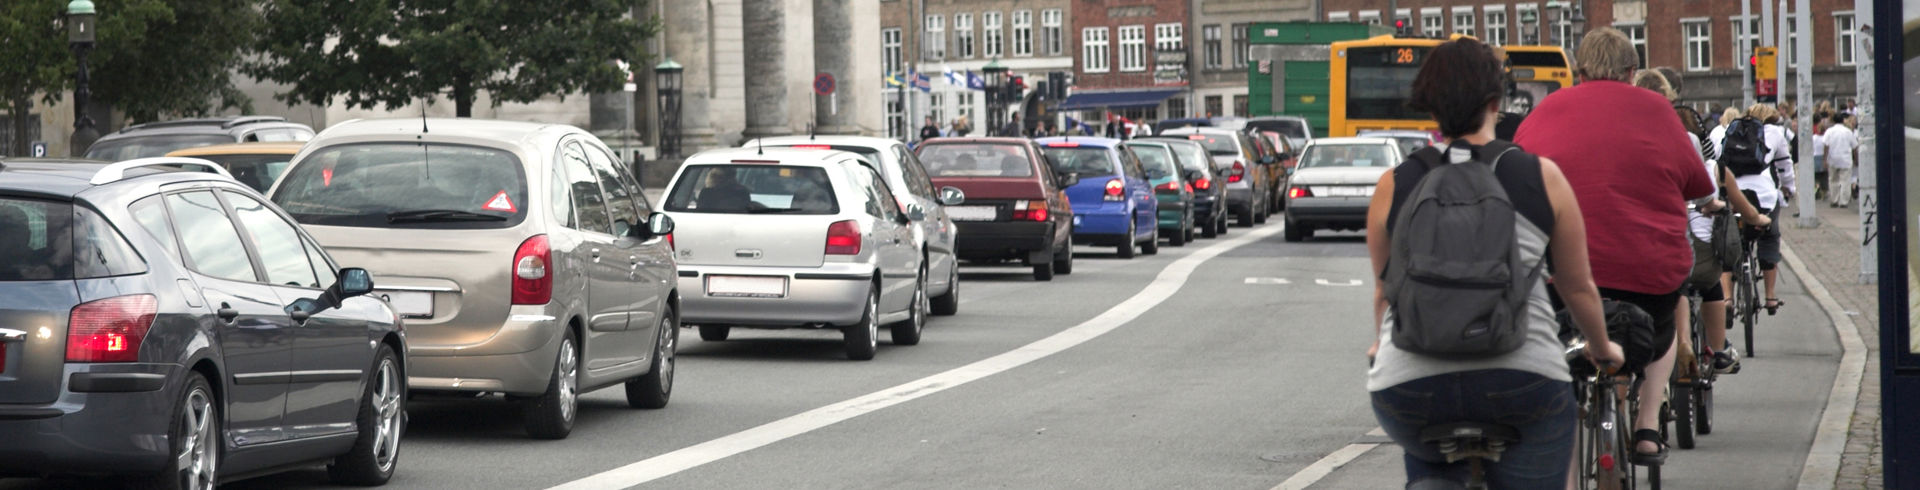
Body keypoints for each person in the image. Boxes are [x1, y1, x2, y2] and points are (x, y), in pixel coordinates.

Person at [1365, 37, 1623, 489]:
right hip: (1521, 376)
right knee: (1546, 428)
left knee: (1426, 451)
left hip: (1410, 385)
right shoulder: (1541, 176)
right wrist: (1603, 350)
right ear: (1495, 101)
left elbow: (1387, 290)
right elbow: (1576, 286)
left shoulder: (1393, 184)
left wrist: (1377, 344)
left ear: (1431, 108)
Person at [1513, 28, 1715, 468]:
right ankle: (1645, 429)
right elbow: (1699, 184)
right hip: (1649, 274)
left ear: (1579, 71)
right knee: (1663, 332)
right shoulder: (1659, 110)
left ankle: (1563, 432)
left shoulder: (1547, 110)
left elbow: (1518, 170)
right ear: (1632, 71)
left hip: (1562, 277)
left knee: (1558, 340)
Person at [1747, 103, 1796, 315]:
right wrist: (1789, 188)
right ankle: (1770, 296)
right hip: (1764, 196)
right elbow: (1784, 165)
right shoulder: (1774, 132)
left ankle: (1728, 299)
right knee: (1769, 236)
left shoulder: (1736, 129)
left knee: (1732, 243)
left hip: (1735, 192)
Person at [1825, 112, 1860, 208]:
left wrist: (1825, 159)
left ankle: (1834, 199)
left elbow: (1826, 145)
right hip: (1845, 159)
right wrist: (1856, 159)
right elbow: (1854, 147)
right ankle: (1844, 201)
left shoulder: (1829, 131)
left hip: (1832, 158)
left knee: (1833, 180)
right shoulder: (1848, 132)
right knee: (1845, 180)